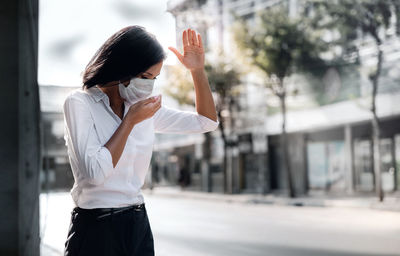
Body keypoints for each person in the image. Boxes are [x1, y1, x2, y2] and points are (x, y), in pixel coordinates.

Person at [63, 26, 218, 256]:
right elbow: (96, 173)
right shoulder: (80, 103)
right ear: (123, 67)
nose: (149, 85)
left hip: (137, 224)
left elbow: (206, 122)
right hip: (96, 227)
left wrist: (197, 71)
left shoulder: (144, 108)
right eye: (145, 77)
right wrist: (130, 122)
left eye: (154, 78)